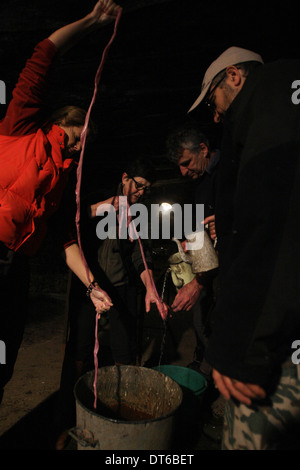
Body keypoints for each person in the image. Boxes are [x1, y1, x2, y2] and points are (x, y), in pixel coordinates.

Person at [0, 0, 121, 405]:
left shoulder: (66, 177)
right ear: (67, 119)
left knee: (3, 362)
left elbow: (66, 239)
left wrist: (92, 286)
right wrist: (91, 22)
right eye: (84, 130)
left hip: (15, 269)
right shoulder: (22, 128)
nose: (87, 141)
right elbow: (41, 58)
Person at [188, 46, 300, 449]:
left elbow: (275, 228)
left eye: (214, 100)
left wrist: (240, 347)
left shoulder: (269, 99)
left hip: (277, 340)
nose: (216, 115)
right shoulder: (282, 101)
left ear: (234, 76)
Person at [56, 158, 165, 449]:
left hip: (121, 290)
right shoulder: (97, 195)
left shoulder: (140, 212)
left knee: (124, 352)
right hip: (87, 288)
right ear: (125, 177)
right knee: (78, 353)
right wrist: (97, 209)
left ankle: (121, 420)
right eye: (139, 186)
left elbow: (141, 255)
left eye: (147, 189)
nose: (141, 193)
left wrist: (150, 287)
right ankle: (66, 419)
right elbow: (66, 221)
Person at [165, 121, 219, 377]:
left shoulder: (228, 173)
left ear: (203, 149)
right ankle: (203, 363)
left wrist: (197, 283)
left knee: (219, 324)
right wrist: (191, 245)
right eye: (180, 166)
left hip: (229, 270)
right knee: (202, 318)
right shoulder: (201, 183)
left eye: (186, 162)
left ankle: (213, 376)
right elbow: (201, 225)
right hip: (210, 268)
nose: (183, 171)